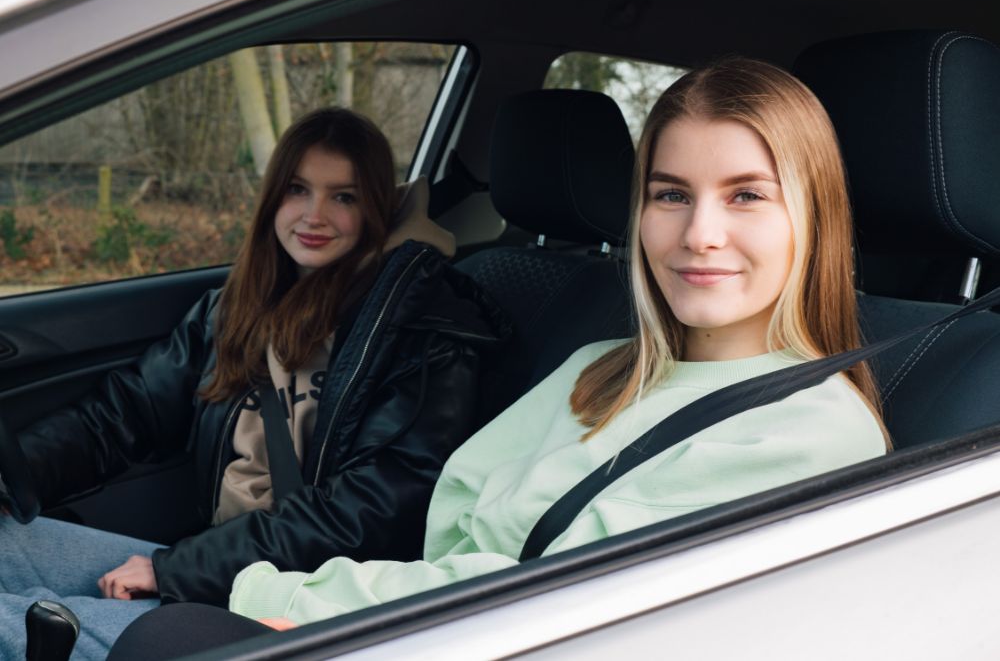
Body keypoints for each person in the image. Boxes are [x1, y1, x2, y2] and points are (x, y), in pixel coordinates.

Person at [109, 56, 891, 657]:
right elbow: (458, 542)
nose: (699, 234)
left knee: (156, 637)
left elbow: (542, 597)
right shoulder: (598, 366)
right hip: (412, 613)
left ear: (814, 216)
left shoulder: (810, 432)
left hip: (453, 630)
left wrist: (276, 596)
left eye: (746, 195)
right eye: (671, 194)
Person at [0, 107, 507, 660]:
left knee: (15, 624)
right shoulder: (238, 306)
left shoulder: (425, 334)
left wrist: (177, 570)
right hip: (215, 566)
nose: (314, 215)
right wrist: (13, 475)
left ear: (376, 208)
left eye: (344, 196)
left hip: (298, 602)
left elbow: (372, 509)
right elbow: (126, 413)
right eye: (297, 189)